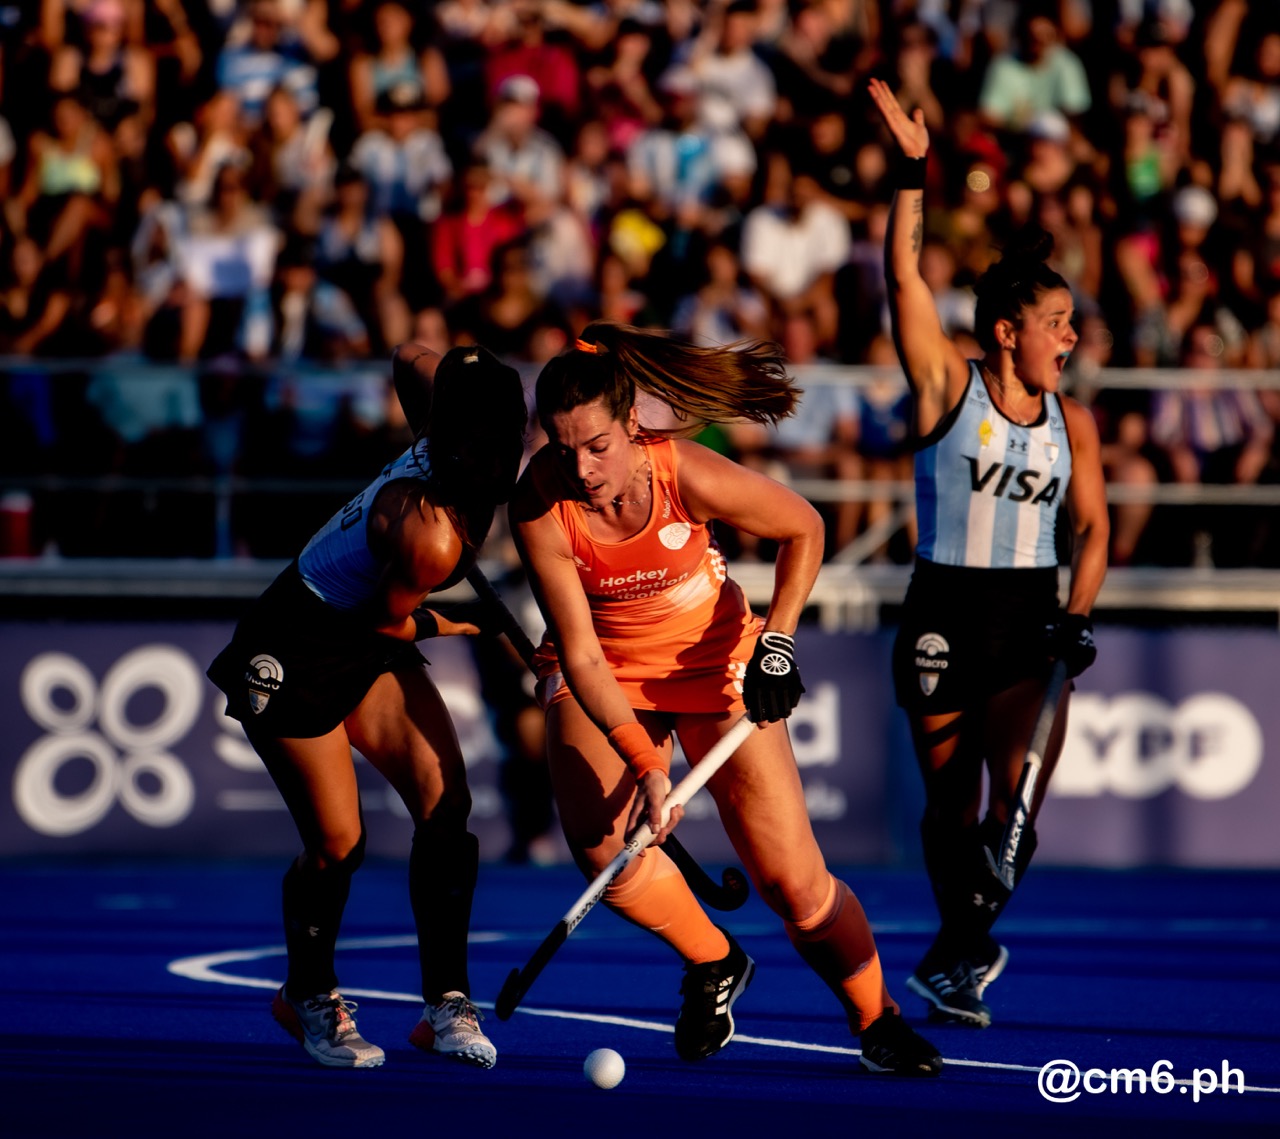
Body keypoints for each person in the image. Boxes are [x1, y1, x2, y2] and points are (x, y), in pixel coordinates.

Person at [508, 320, 943, 1077]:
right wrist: (644, 760)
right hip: (607, 668)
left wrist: (777, 641)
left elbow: (802, 528)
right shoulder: (540, 503)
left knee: (794, 884)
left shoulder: (684, 471)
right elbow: (579, 653)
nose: (580, 466)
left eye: (598, 446)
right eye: (562, 444)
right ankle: (713, 958)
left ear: (632, 425)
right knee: (601, 845)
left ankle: (877, 1016)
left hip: (714, 661)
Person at [207, 343, 528, 1070]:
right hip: (302, 642)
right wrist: (467, 626)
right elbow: (386, 626)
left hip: (365, 627)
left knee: (447, 805)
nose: (505, 452)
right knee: (338, 844)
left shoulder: (454, 431)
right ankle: (308, 994)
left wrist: (430, 417)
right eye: (487, 440)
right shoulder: (430, 536)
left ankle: (445, 1001)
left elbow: (413, 354)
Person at [869, 78, 1110, 1028]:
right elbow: (902, 279)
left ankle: (957, 949)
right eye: (1058, 323)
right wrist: (911, 171)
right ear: (1009, 330)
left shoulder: (1073, 422)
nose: (1072, 336)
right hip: (942, 611)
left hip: (1026, 618)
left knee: (1013, 815)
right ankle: (959, 952)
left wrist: (1079, 614)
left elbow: (1092, 527)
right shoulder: (947, 387)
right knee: (951, 812)